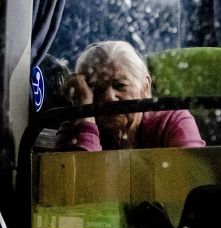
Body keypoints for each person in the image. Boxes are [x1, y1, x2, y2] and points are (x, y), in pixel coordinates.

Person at [55, 40, 205, 151]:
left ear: (145, 87)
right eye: (96, 88)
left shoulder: (172, 120)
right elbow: (77, 188)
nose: (109, 97)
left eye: (120, 85)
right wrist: (85, 118)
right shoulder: (77, 126)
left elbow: (190, 180)